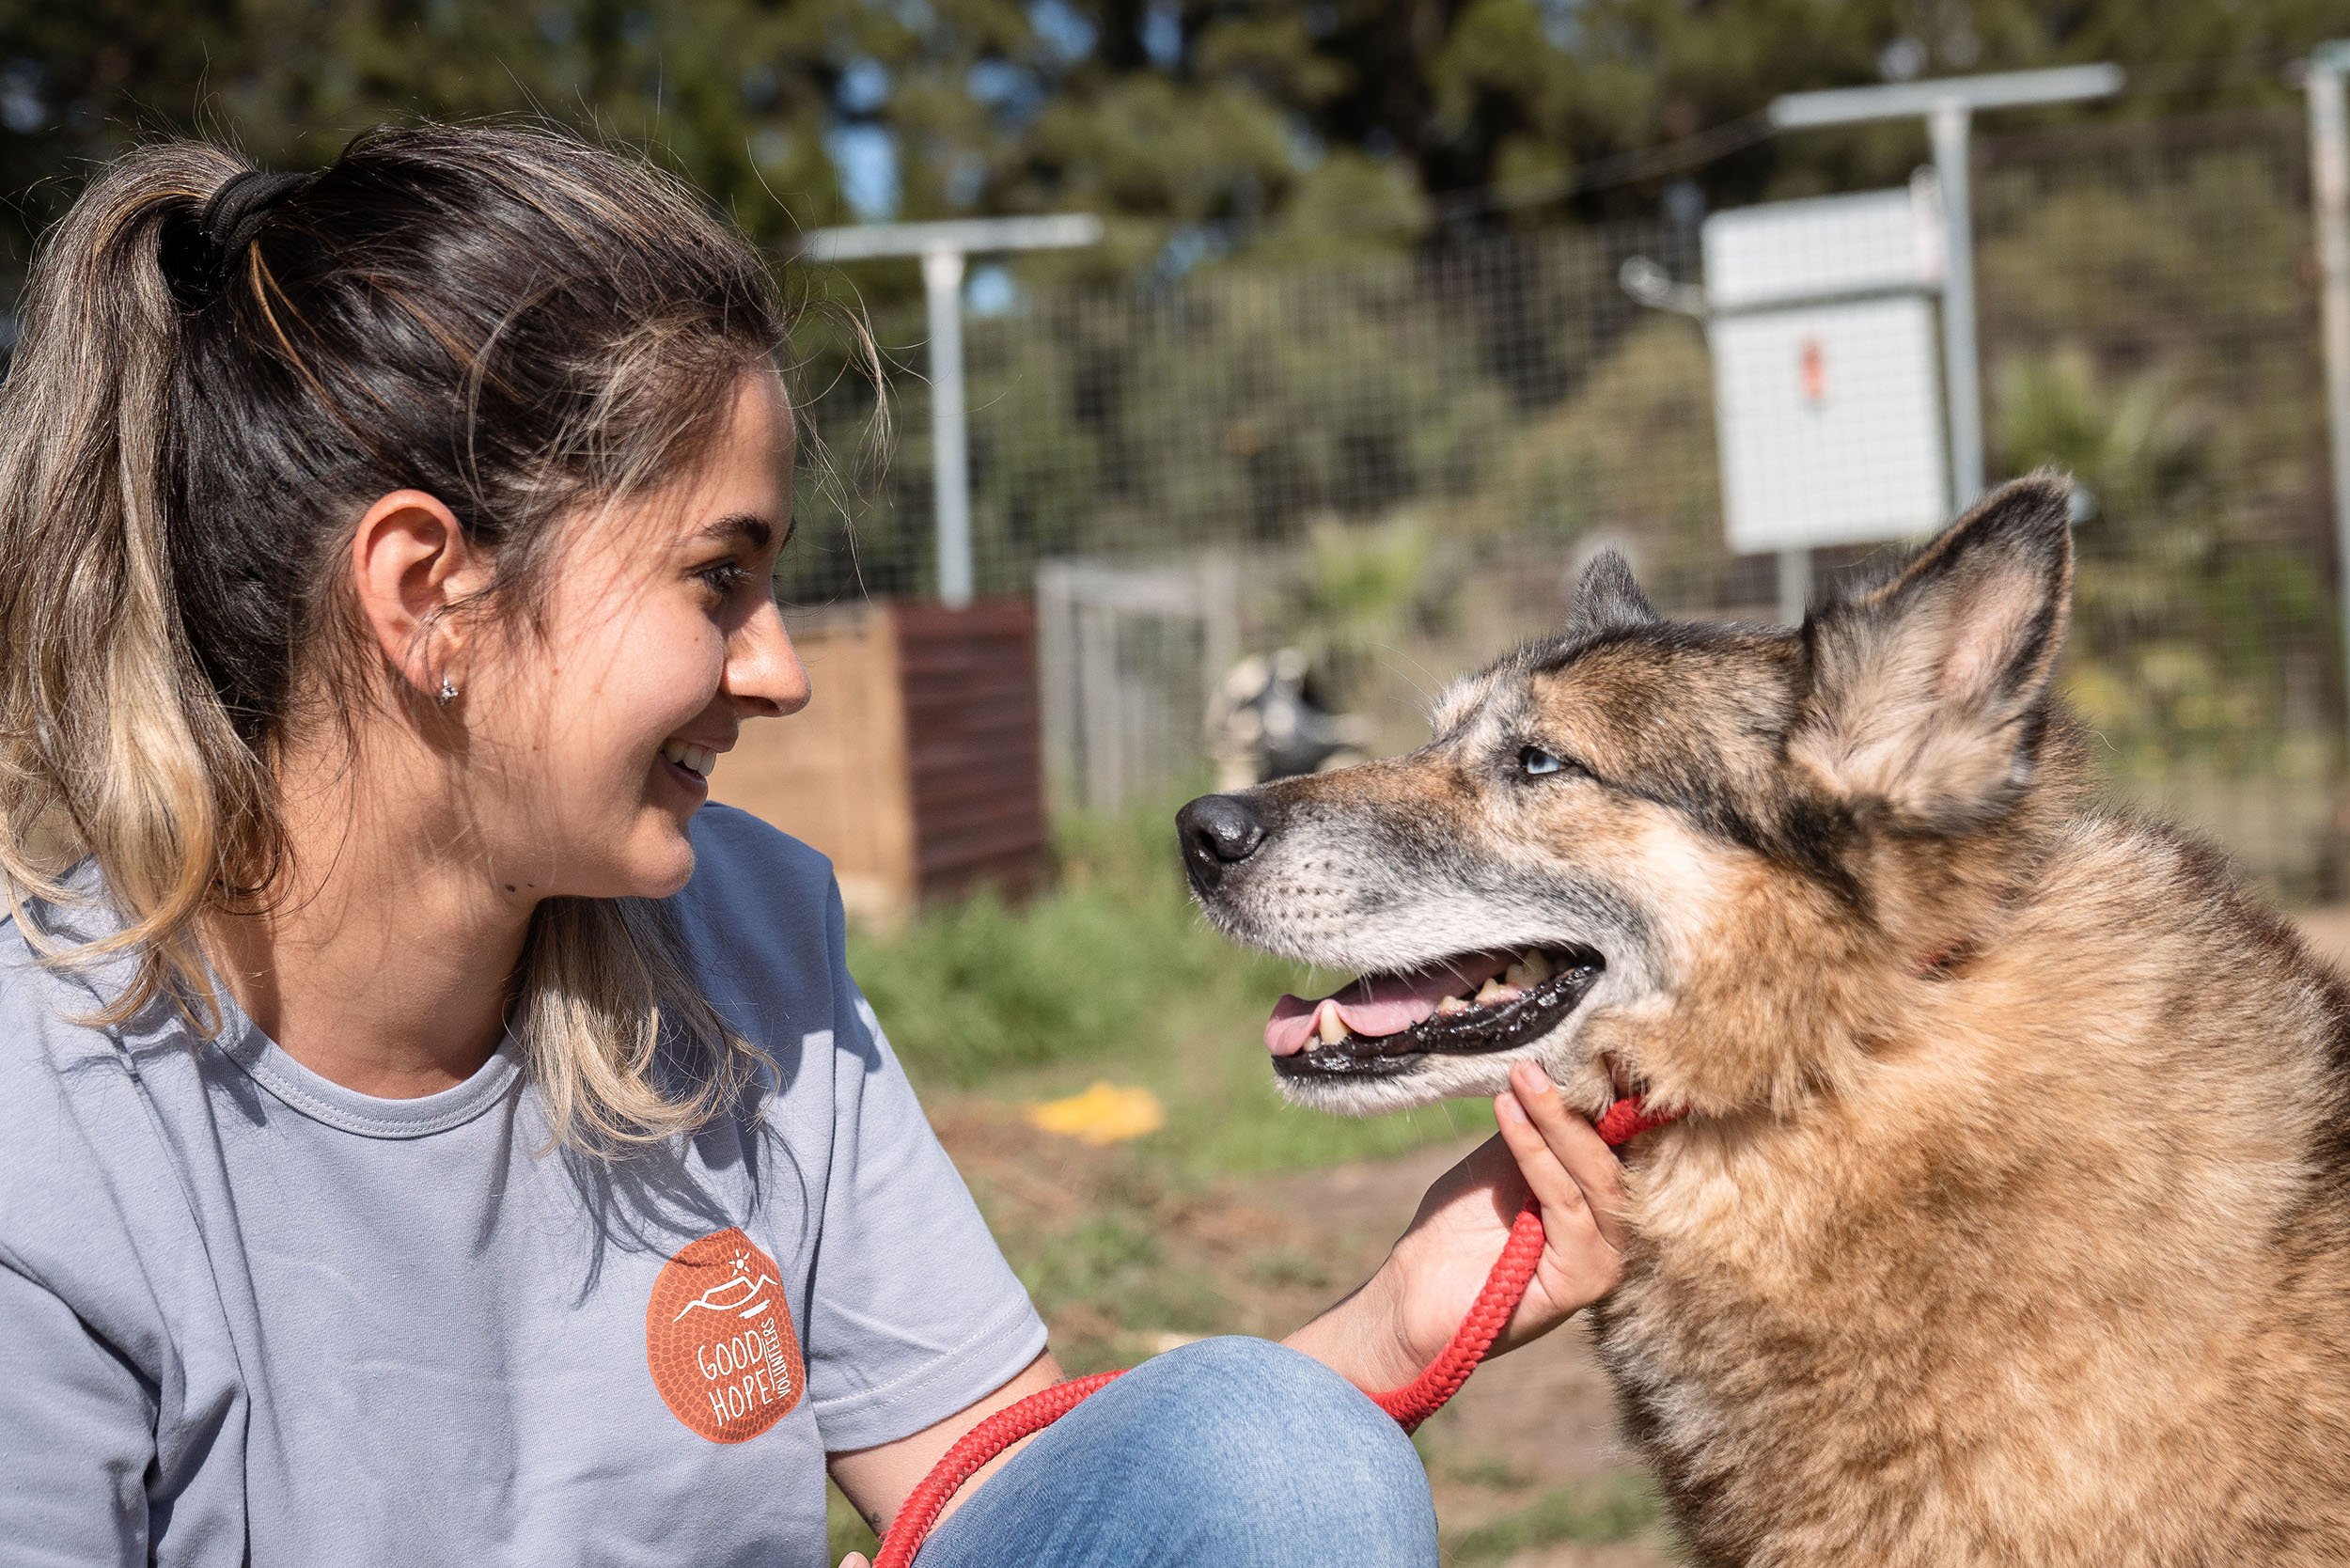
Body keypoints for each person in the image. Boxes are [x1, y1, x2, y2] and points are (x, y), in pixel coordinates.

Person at [0, 126, 1629, 1568]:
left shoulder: (747, 932)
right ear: (430, 592)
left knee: (1276, 1464)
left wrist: (1398, 1320)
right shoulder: (51, 1141)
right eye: (720, 577)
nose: (779, 670)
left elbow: (1011, 1504)